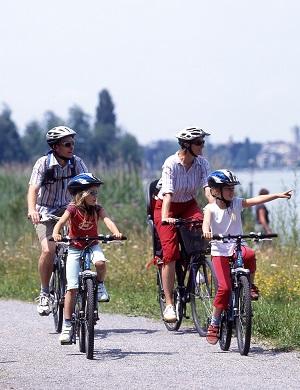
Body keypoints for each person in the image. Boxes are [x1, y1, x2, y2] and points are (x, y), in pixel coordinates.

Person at [202, 169, 292, 345]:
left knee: (249, 253)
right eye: (227, 188)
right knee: (225, 289)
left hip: (236, 246)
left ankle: (249, 284)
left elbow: (255, 200)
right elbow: (206, 223)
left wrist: (277, 195)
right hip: (219, 250)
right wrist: (206, 232)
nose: (232, 191)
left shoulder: (236, 203)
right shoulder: (210, 208)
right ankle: (214, 322)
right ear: (215, 191)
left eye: (232, 188)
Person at [52, 172, 123, 344]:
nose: (95, 196)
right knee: (72, 287)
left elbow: (108, 220)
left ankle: (99, 285)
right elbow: (60, 223)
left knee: (100, 262)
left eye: (96, 193)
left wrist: (115, 233)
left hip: (92, 245)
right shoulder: (72, 209)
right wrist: (56, 233)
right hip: (75, 248)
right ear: (82, 194)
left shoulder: (98, 209)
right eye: (92, 193)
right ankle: (68, 326)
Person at [153, 127, 213, 323]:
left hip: (188, 204)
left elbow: (206, 190)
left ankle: (195, 267)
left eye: (203, 142)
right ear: (187, 146)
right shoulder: (171, 163)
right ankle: (169, 304)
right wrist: (165, 217)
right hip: (166, 207)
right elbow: (168, 193)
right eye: (199, 143)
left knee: (200, 238)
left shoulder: (202, 163)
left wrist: (214, 208)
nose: (202, 146)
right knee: (170, 254)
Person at [27, 126, 88, 316]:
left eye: (73, 144)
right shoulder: (43, 163)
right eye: (67, 144)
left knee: (82, 244)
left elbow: (88, 185)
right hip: (45, 210)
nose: (72, 147)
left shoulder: (76, 163)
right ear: (55, 147)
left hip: (69, 209)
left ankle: (85, 285)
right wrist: (32, 210)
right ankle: (45, 292)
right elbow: (33, 190)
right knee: (49, 249)